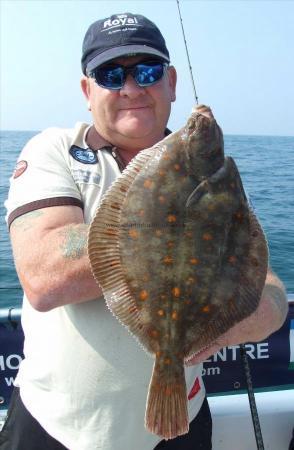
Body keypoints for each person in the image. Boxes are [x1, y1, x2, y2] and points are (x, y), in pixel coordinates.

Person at [1, 12, 288, 450]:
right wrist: (176, 226)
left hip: (183, 424)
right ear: (87, 90)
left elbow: (264, 287)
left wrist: (249, 314)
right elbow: (45, 278)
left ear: (171, 82)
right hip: (53, 428)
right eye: (111, 74)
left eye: (148, 72)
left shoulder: (213, 181)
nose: (131, 88)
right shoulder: (55, 150)